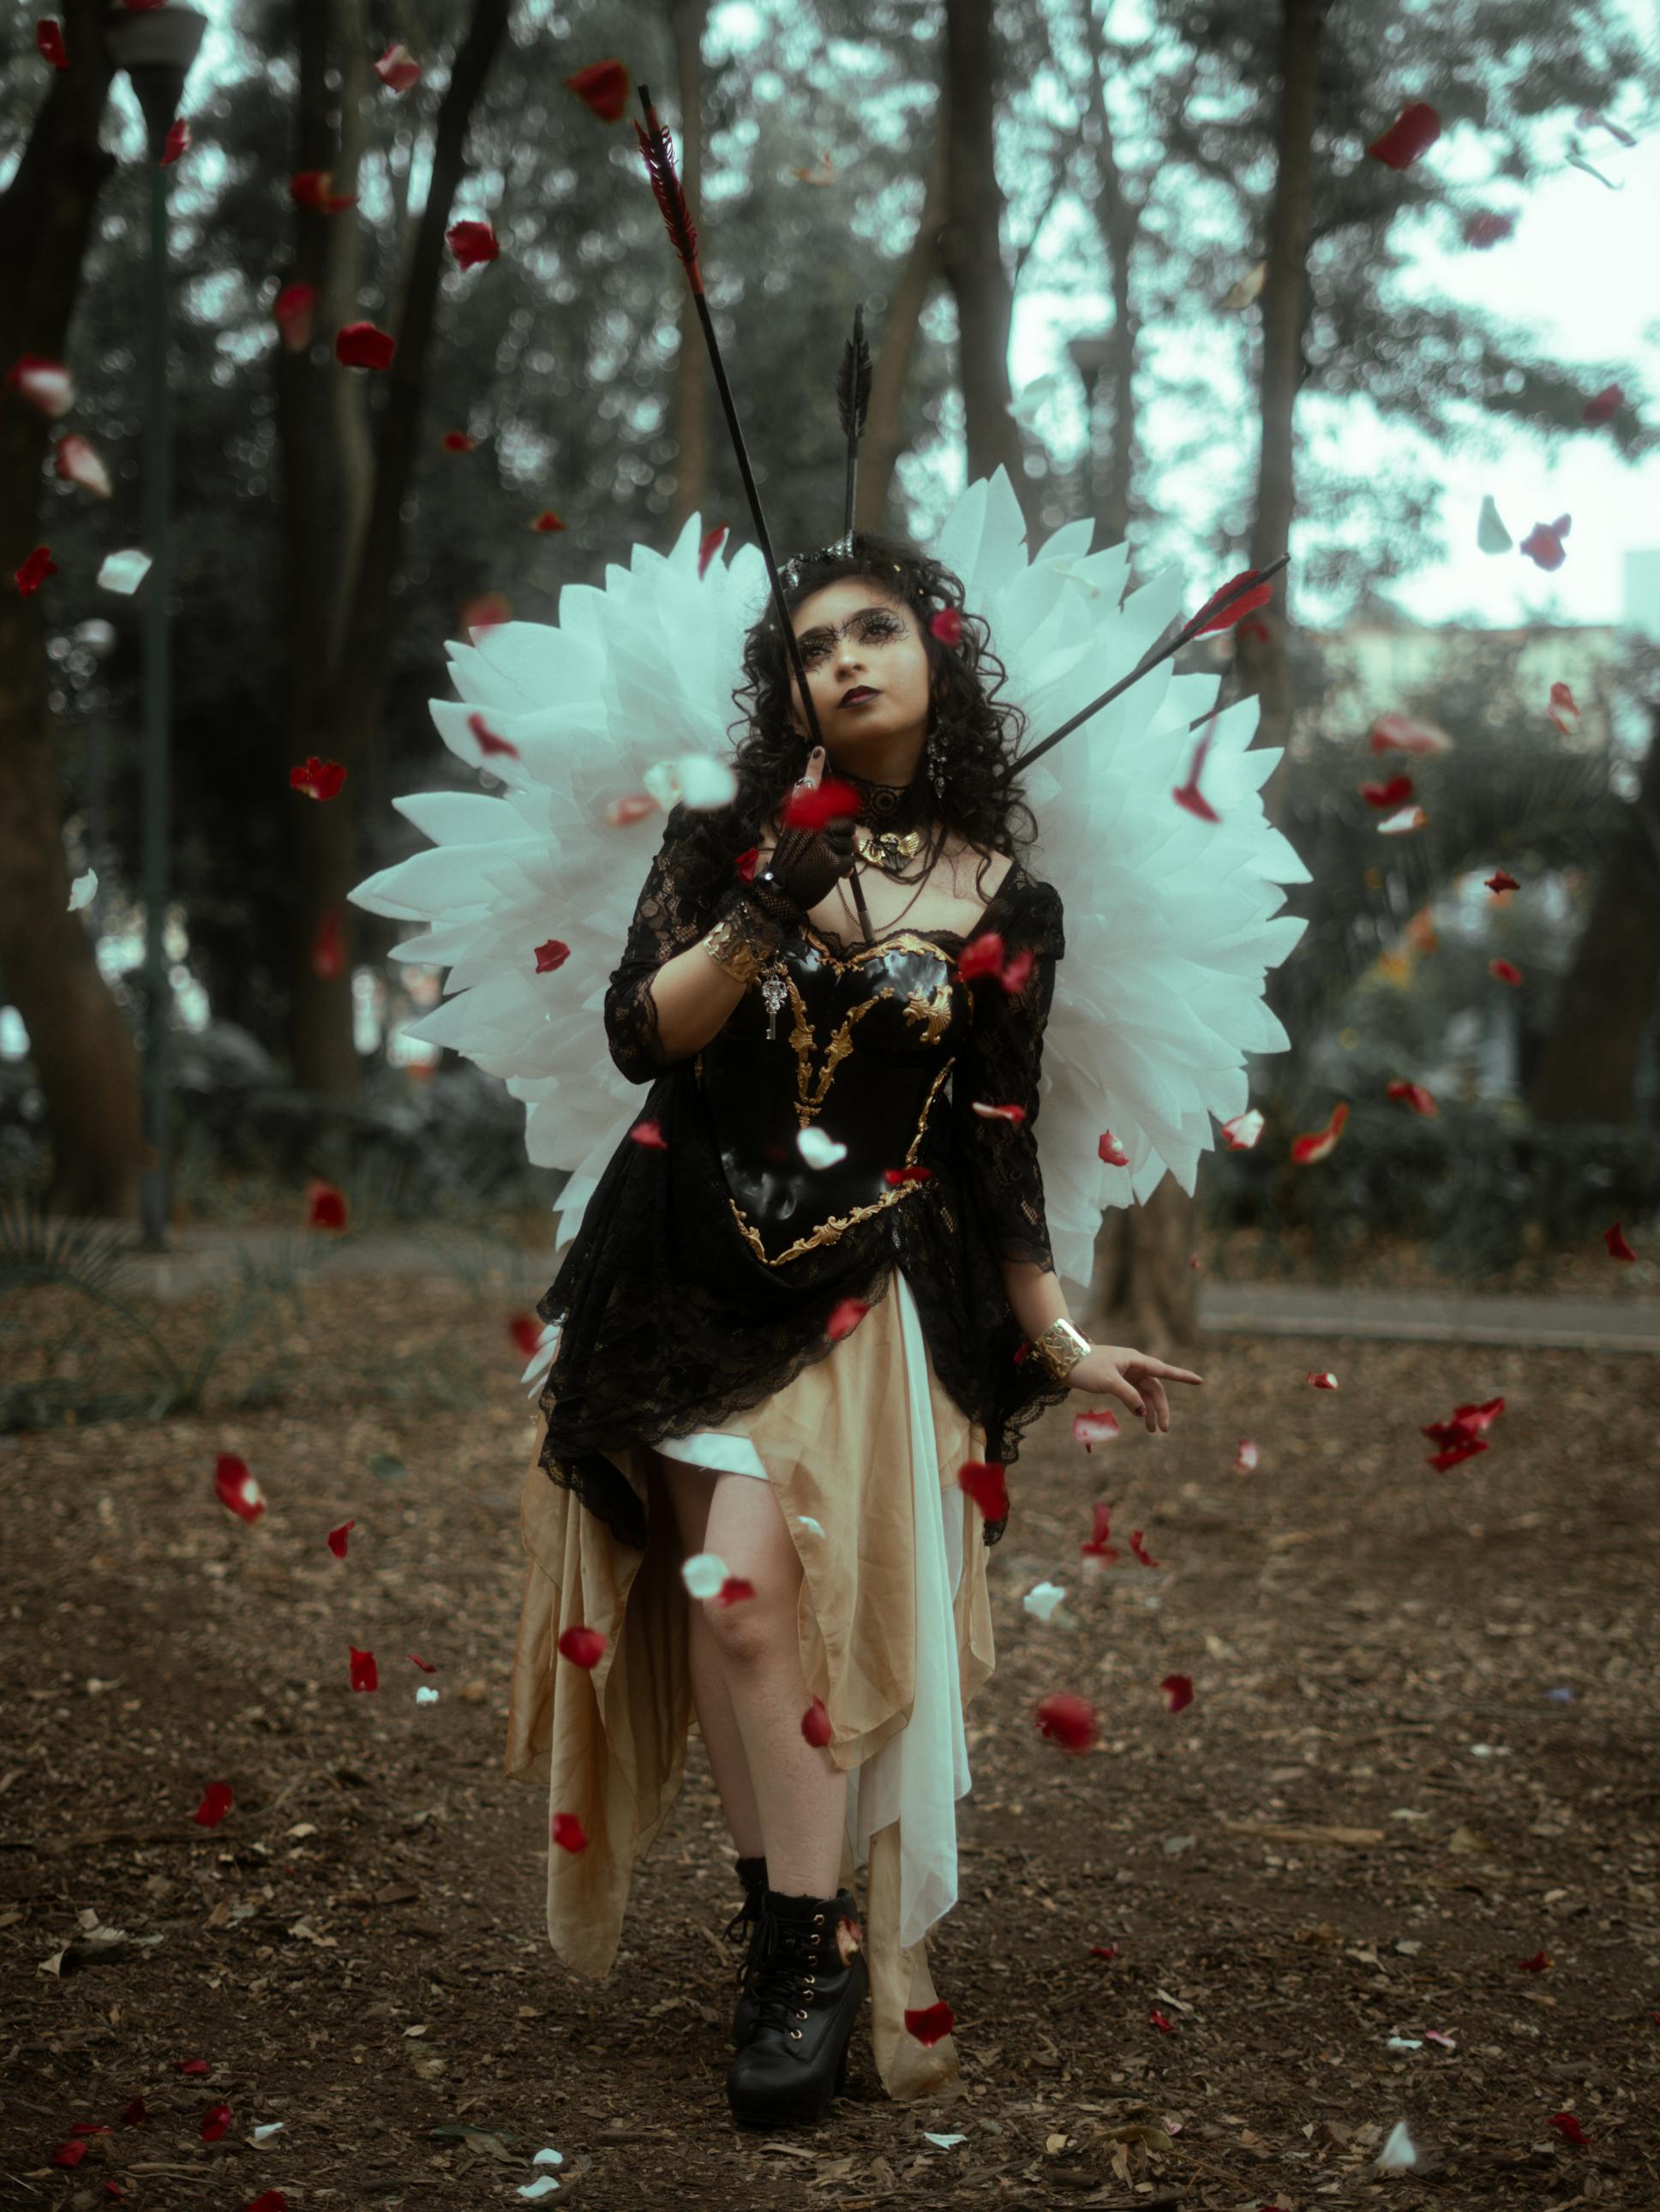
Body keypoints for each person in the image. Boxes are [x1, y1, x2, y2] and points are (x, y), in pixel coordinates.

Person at [502, 529, 1203, 2131]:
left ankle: (809, 1956)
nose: (845, 661)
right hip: (687, 1263)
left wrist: (1060, 1337)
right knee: (723, 1605)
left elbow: (995, 1138)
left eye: (873, 630)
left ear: (934, 657)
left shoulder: (1004, 900)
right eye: (814, 646)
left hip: (863, 1281)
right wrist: (767, 898)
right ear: (792, 688)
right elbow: (640, 1034)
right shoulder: (726, 835)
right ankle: (780, 1922)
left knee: (758, 1599)